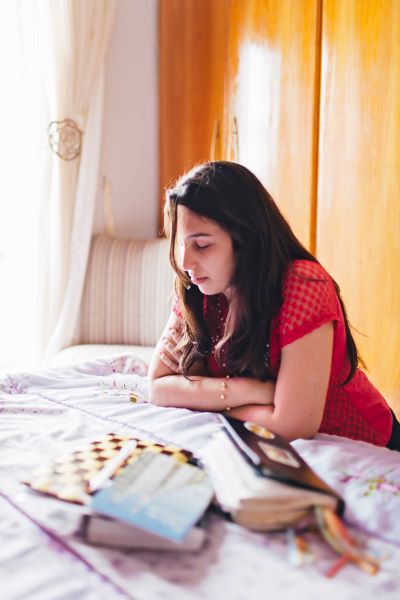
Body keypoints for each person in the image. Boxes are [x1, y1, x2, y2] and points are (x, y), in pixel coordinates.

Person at [148, 161, 400, 450]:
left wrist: (208, 401)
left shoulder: (303, 285)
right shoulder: (199, 286)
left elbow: (292, 424)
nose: (185, 262)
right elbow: (158, 386)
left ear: (246, 239)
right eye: (181, 244)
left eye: (202, 245)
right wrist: (250, 391)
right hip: (274, 445)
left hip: (361, 443)